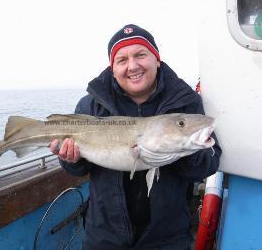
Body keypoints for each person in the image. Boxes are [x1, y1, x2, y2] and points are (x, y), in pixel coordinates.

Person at [50, 24, 221, 250]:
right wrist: (70, 159)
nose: (133, 66)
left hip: (167, 238)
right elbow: (78, 169)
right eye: (122, 60)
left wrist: (182, 149)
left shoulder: (185, 101)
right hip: (104, 236)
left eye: (141, 55)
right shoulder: (91, 105)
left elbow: (208, 166)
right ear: (113, 68)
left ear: (156, 59)